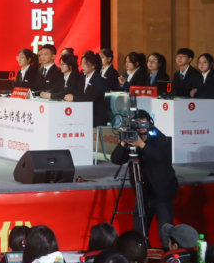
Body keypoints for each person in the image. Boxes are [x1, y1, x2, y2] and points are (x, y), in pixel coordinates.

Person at [111, 110, 178, 248]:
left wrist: (142, 145)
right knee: (139, 236)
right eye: (137, 124)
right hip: (143, 193)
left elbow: (161, 157)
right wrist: (123, 142)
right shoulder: (131, 139)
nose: (140, 127)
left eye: (143, 123)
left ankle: (168, 256)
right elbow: (115, 159)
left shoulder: (159, 138)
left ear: (150, 123)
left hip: (162, 193)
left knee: (165, 236)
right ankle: (142, 256)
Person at [65, 51, 109, 127]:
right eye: (81, 63)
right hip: (84, 114)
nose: (82, 66)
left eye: (85, 63)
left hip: (96, 116)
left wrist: (74, 98)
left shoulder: (99, 80)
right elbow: (78, 93)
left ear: (93, 65)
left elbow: (92, 98)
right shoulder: (82, 78)